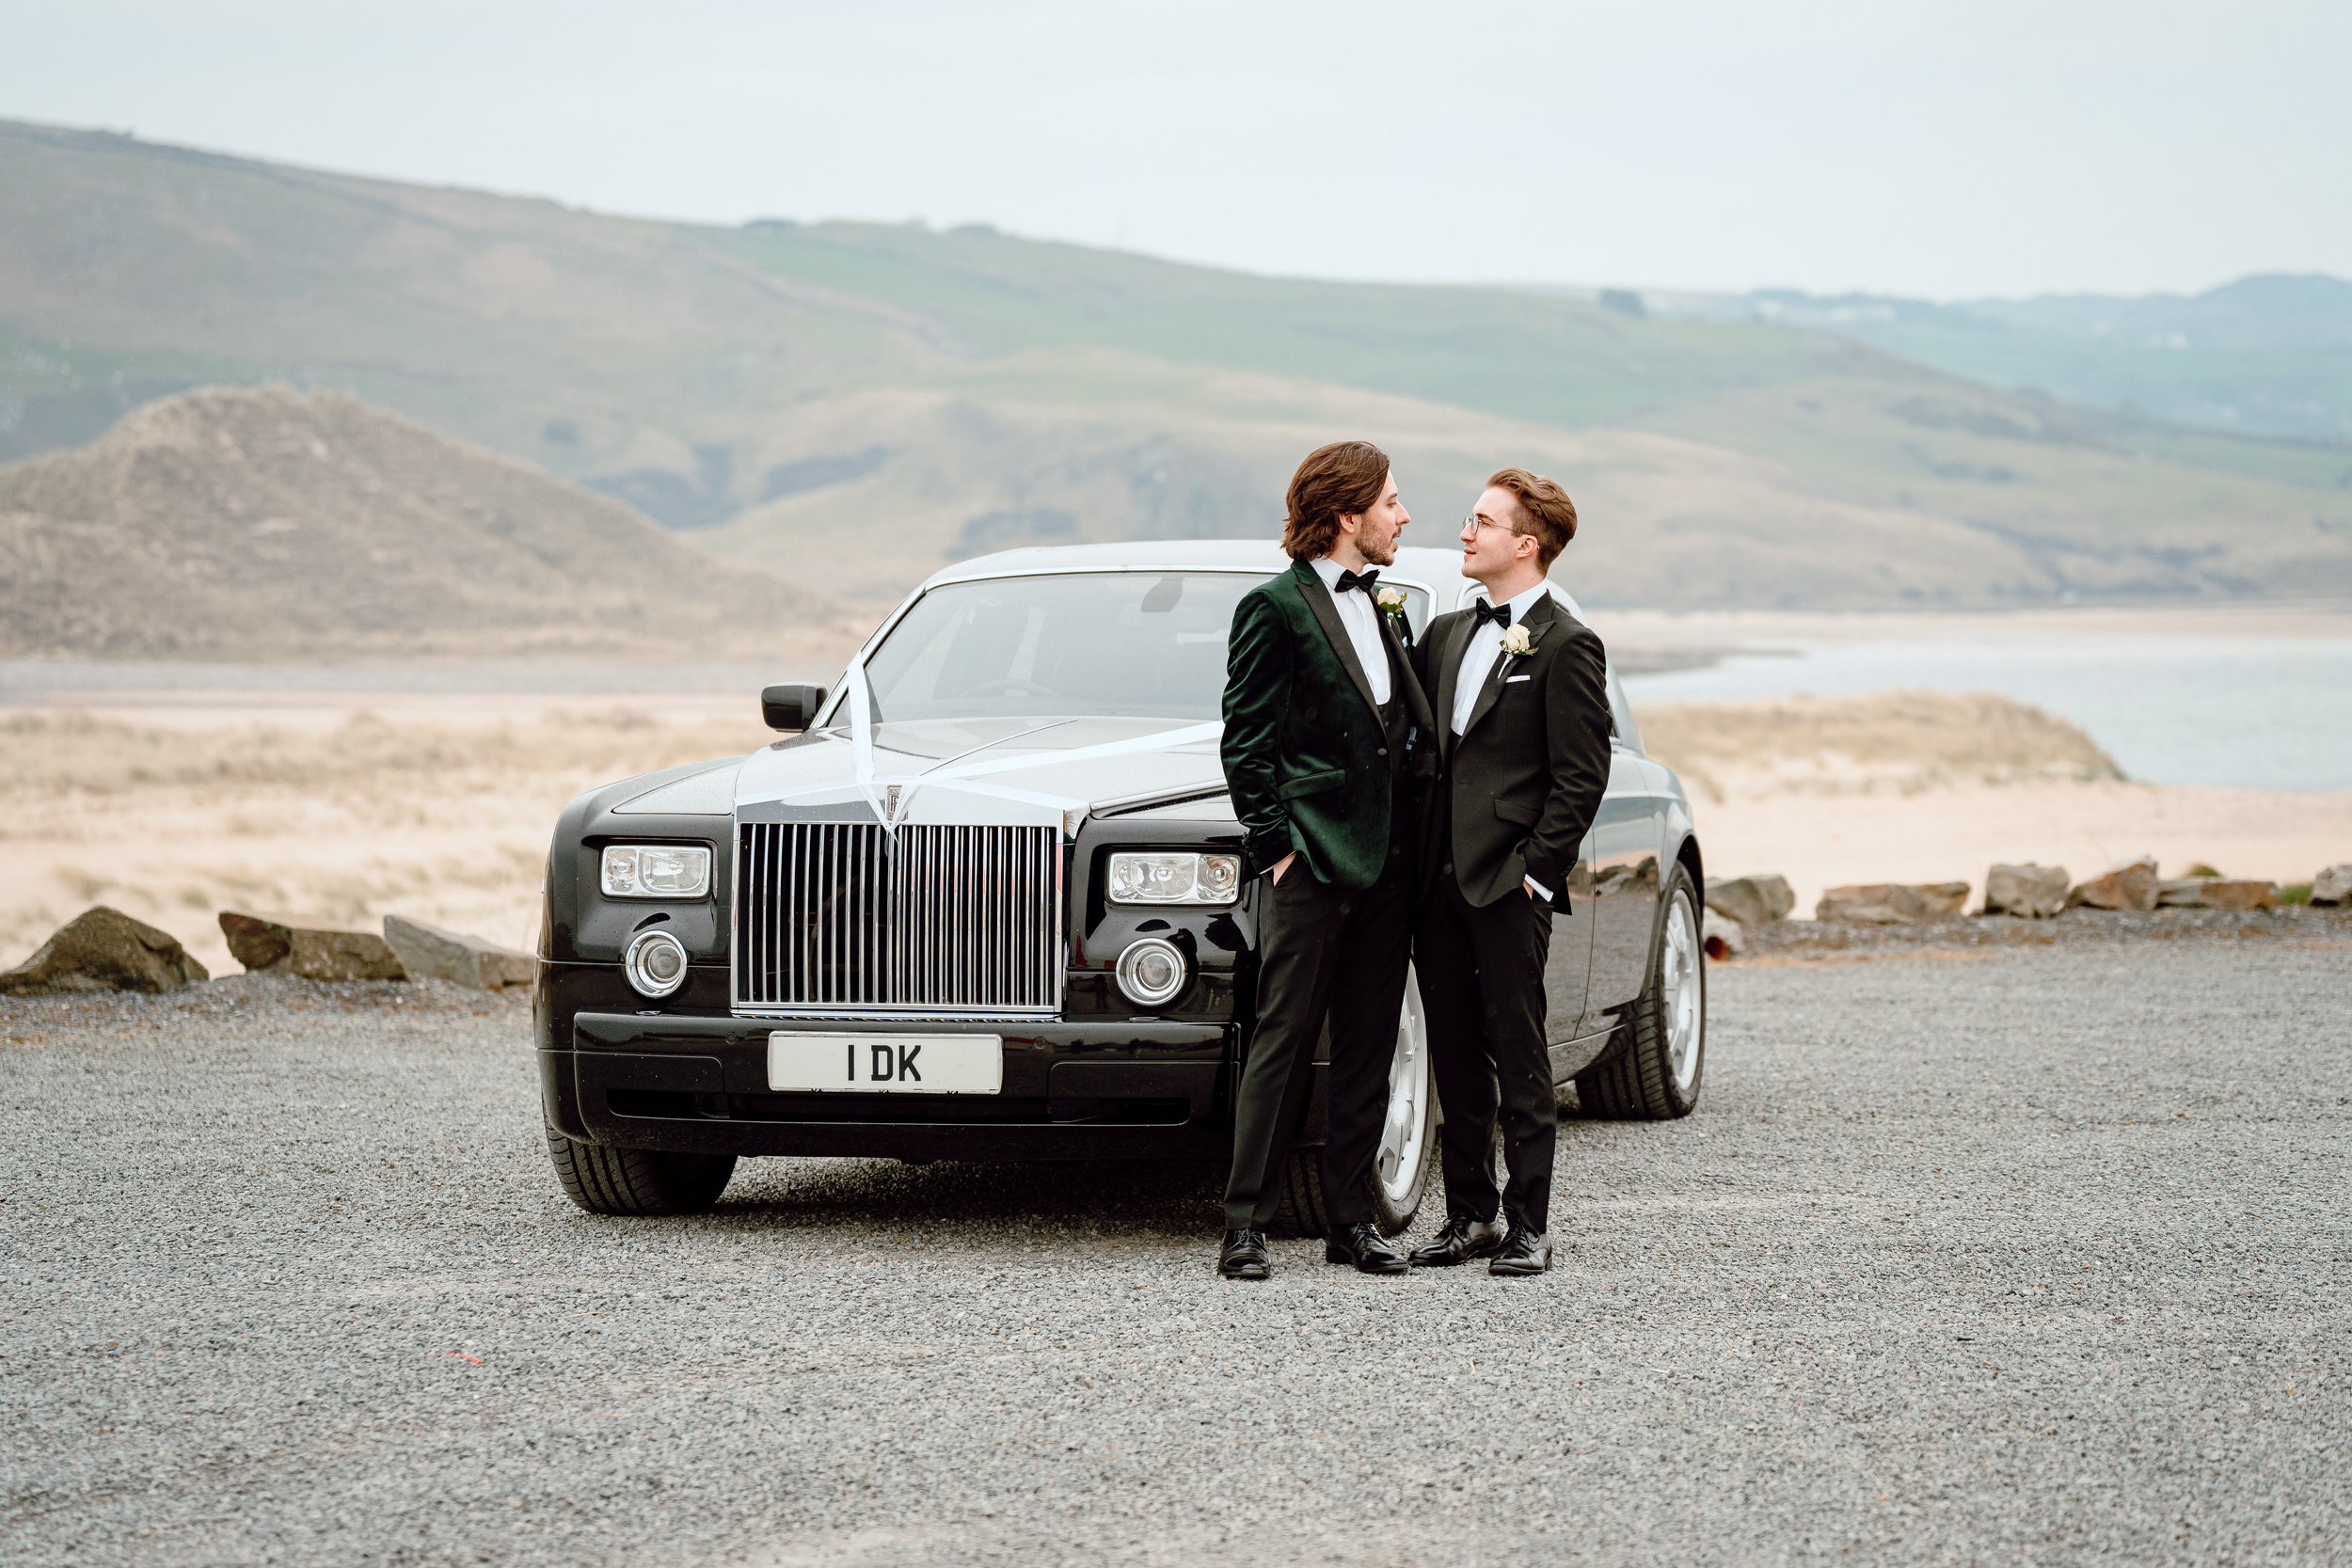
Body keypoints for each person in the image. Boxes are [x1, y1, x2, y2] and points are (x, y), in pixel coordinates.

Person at [1215, 440, 1437, 1279]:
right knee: (1283, 1038)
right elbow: (1247, 742)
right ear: (1347, 515)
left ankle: (1353, 1223)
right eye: (1389, 502)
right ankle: (1245, 1223)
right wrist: (1277, 849)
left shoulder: (1387, 608)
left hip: (1386, 867)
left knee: (1370, 1047)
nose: (1403, 515)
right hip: (1308, 863)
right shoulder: (1273, 608)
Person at [1406, 467, 1613, 1276]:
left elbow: (1579, 775)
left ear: (1525, 544)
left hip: (1508, 885)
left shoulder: (1567, 643)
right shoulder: (1447, 636)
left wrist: (1536, 872)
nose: (1465, 532)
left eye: (1481, 521)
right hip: (1436, 885)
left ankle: (1531, 1223)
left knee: (1519, 1054)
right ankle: (1469, 1217)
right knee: (1454, 1055)